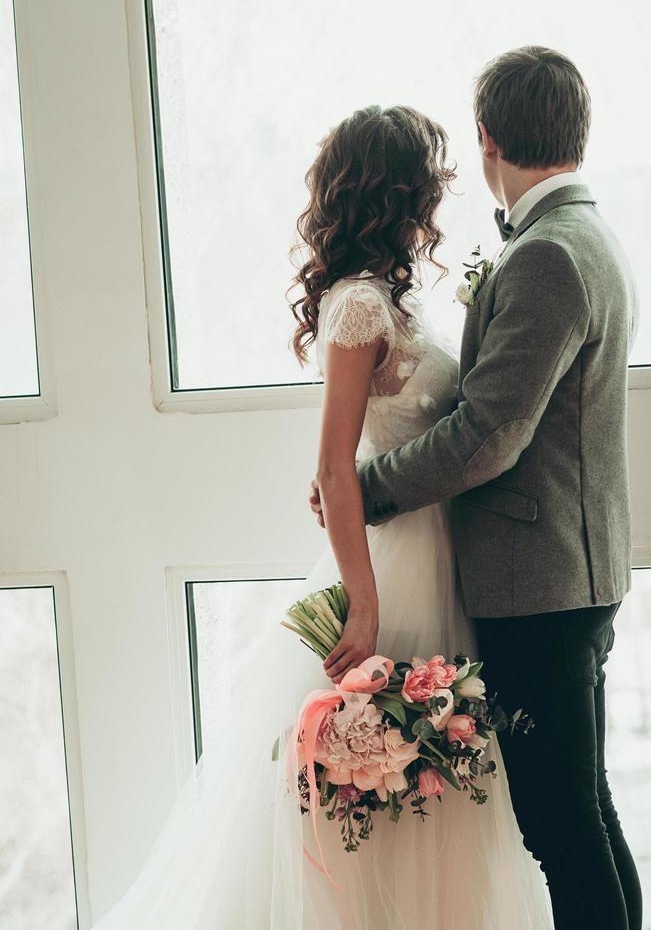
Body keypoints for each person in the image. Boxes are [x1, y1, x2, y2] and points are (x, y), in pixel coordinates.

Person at [91, 101, 553, 929]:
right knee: (387, 786)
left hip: (442, 554)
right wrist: (365, 604)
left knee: (441, 785)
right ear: (398, 189)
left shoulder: (392, 299)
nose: (441, 193)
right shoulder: (357, 307)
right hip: (396, 567)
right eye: (430, 179)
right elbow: (333, 468)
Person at [311, 47, 642, 930]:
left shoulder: (547, 255)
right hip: (559, 574)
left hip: (540, 586)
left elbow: (490, 434)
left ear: (490, 137)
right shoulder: (581, 238)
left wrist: (369, 486)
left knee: (561, 826)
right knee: (584, 812)